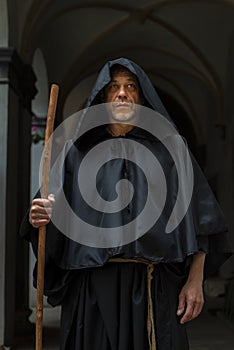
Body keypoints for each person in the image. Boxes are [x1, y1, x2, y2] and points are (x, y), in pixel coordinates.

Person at [20, 58, 233, 350]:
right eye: (113, 87)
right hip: (90, 292)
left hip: (153, 290)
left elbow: (204, 223)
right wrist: (40, 215)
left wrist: (194, 281)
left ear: (141, 96)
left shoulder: (172, 151)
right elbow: (48, 216)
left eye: (130, 86)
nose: (122, 93)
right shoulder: (75, 154)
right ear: (103, 98)